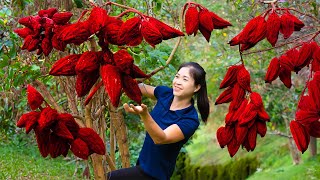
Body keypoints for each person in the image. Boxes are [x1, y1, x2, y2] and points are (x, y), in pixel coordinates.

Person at [107, 62, 210, 180]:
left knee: (108, 178)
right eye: (177, 76)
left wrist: (144, 114)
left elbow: (161, 138)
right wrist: (120, 75)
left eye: (185, 79)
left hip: (155, 175)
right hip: (141, 167)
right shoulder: (165, 94)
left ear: (196, 87)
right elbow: (139, 87)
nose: (177, 82)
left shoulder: (190, 119)